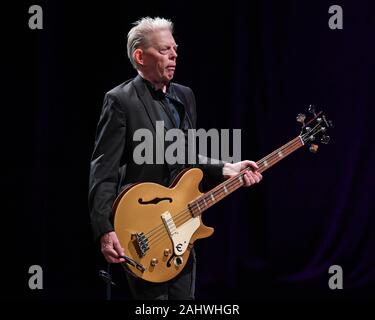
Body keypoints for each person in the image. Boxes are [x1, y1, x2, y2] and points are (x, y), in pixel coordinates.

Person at [88, 17, 262, 300]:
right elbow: (103, 170)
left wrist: (227, 167)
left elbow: (185, 153)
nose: (173, 55)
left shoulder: (185, 96)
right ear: (140, 56)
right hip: (143, 228)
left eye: (175, 49)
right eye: (164, 50)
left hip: (181, 225)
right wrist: (104, 231)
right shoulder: (120, 100)